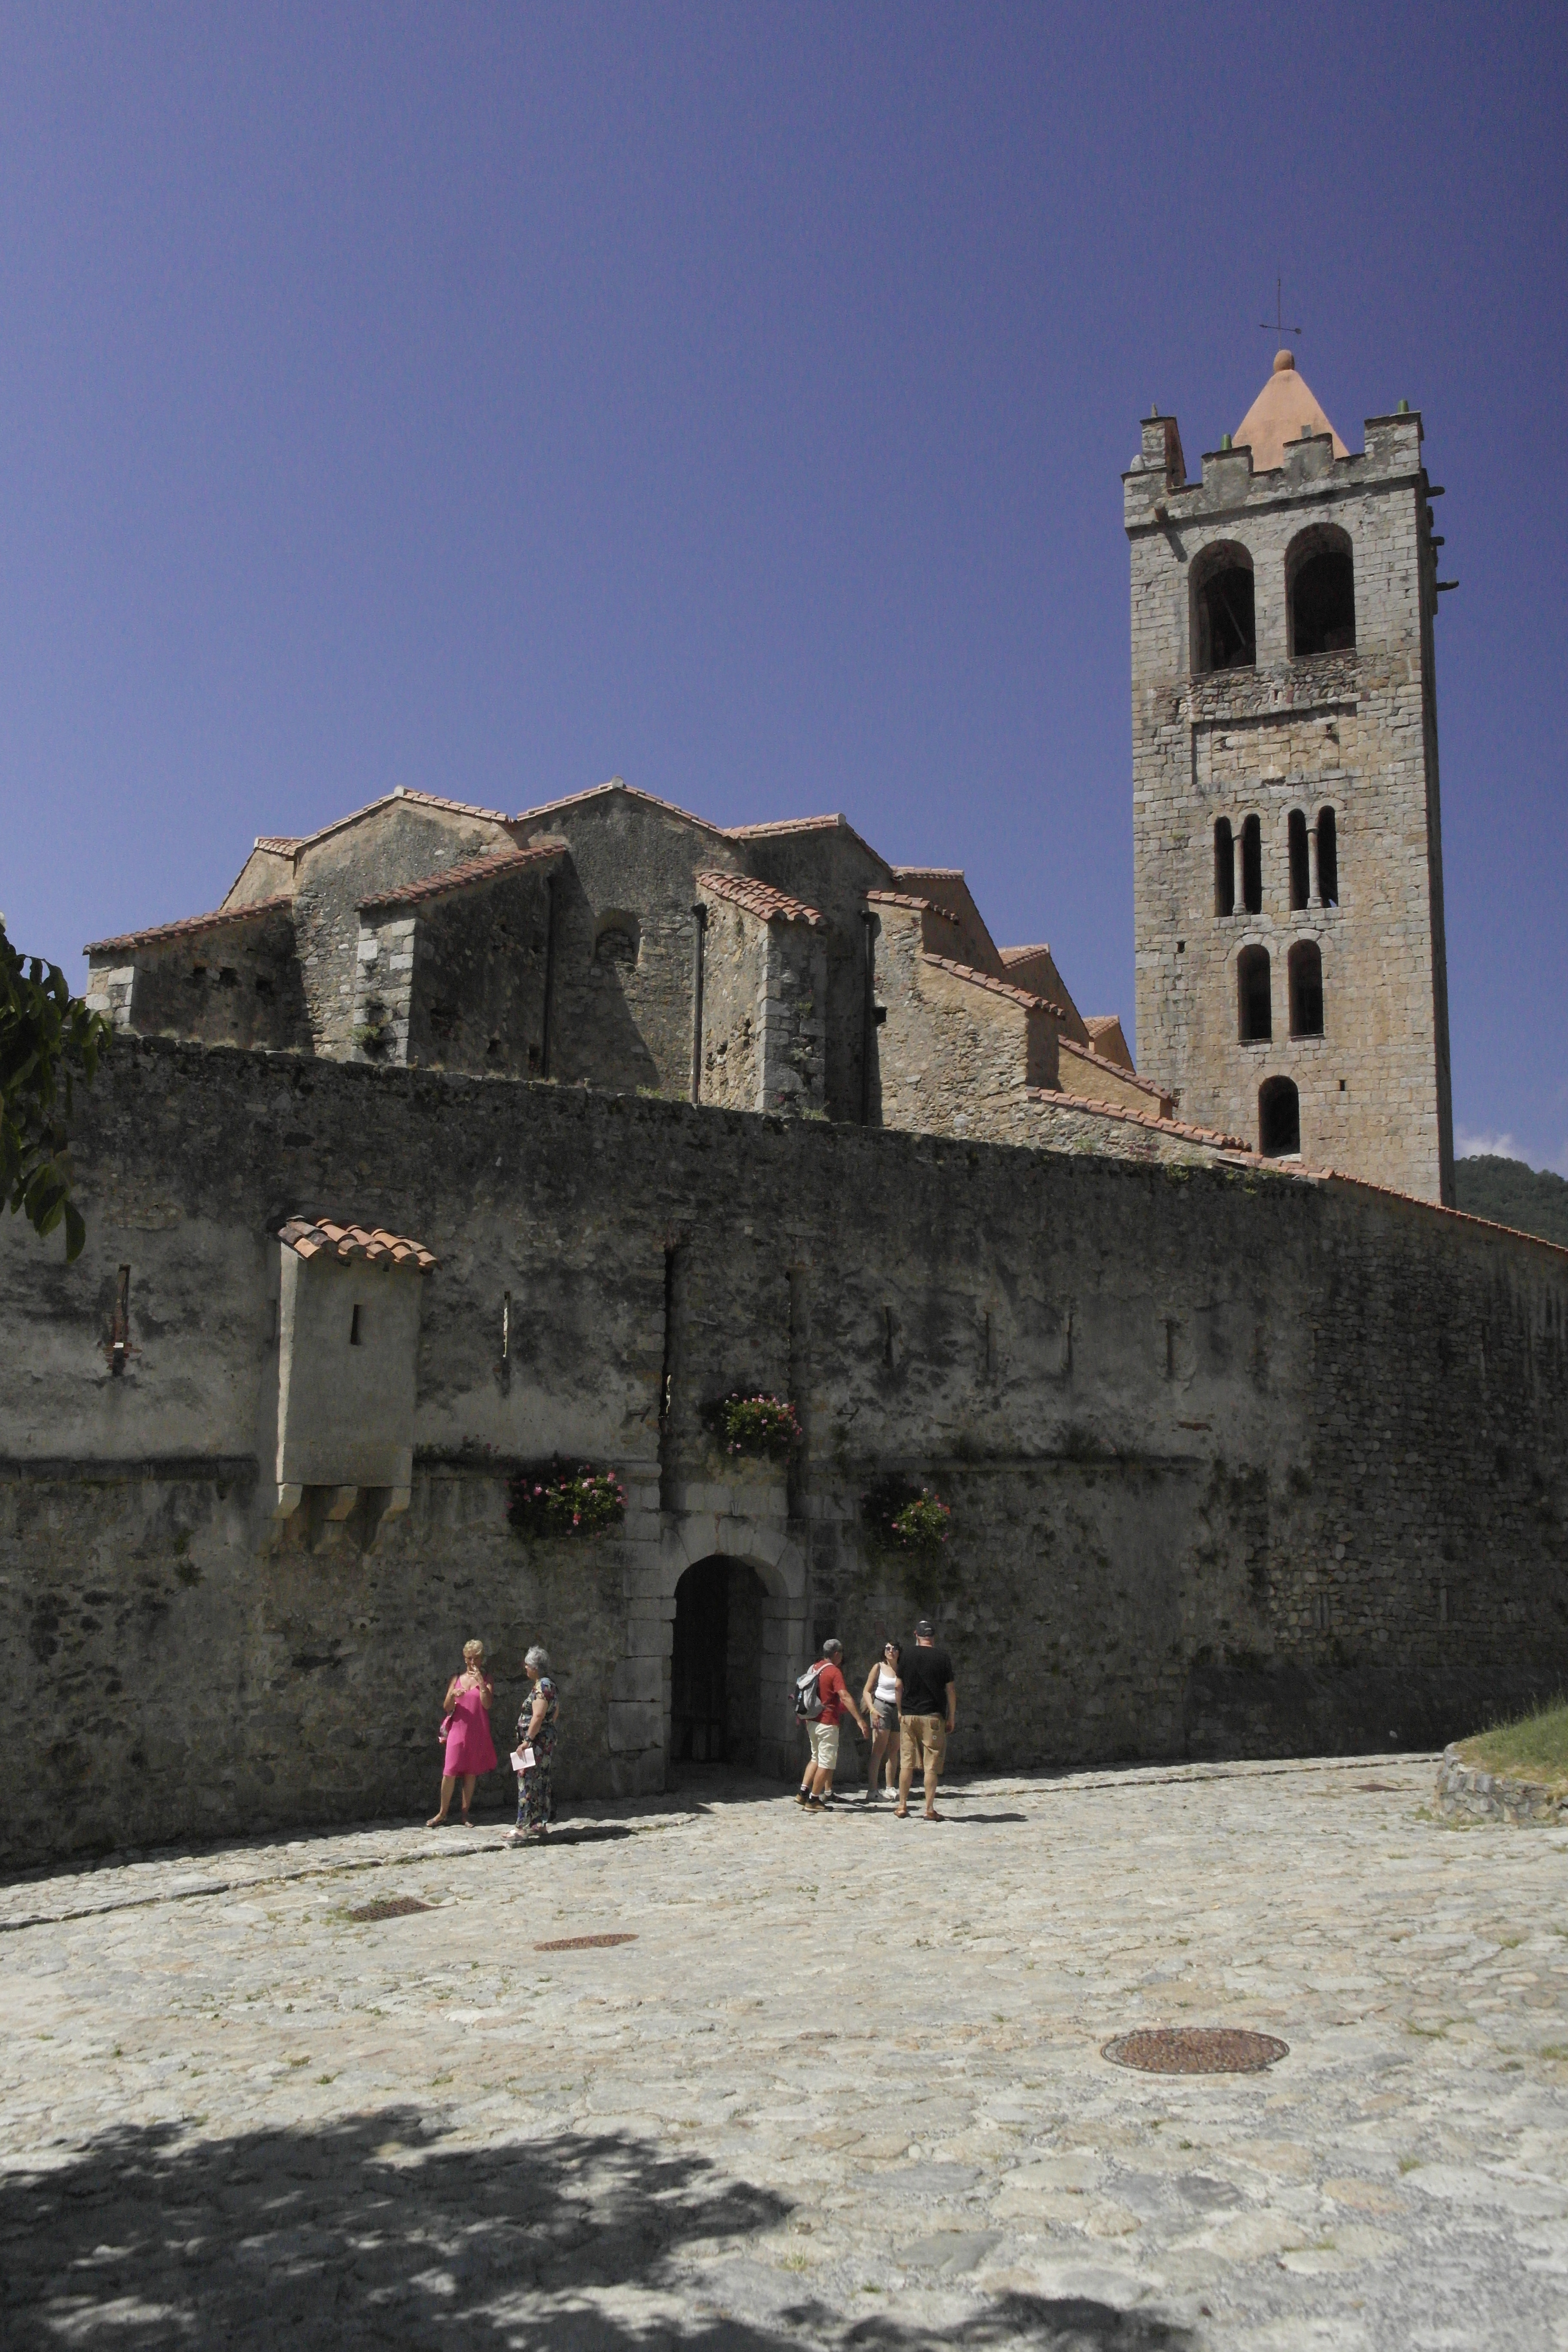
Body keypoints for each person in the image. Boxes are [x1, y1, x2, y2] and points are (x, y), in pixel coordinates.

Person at [426, 1640, 497, 1827]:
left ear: (482, 1659)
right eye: (468, 1659)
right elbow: (446, 1707)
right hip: (458, 1729)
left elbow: (487, 1704)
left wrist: (482, 1683)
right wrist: (452, 1695)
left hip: (476, 1730)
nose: (472, 1663)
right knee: (449, 1771)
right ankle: (442, 1813)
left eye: (476, 1659)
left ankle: (465, 1815)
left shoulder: (487, 1679)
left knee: (470, 1773)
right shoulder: (457, 1678)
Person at [795, 1637, 867, 1810]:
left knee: (815, 1757)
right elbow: (844, 1696)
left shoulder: (814, 1667)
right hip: (828, 1722)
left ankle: (802, 1793)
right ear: (836, 1654)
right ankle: (814, 1800)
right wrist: (860, 1720)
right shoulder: (834, 1672)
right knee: (827, 1762)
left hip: (811, 1720)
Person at [895, 1617, 956, 1821]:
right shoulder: (943, 1657)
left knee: (906, 1762)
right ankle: (929, 1809)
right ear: (933, 1637)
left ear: (916, 1635)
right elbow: (950, 1690)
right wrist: (951, 1717)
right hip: (932, 1716)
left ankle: (902, 1806)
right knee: (931, 1765)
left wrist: (900, 1711)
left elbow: (898, 1686)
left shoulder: (906, 1656)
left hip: (909, 1714)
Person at [505, 1645, 559, 1844]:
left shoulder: (542, 1687)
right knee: (541, 1781)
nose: (525, 1668)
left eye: (528, 1665)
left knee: (526, 1780)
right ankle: (538, 1823)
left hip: (535, 1743)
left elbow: (538, 1714)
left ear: (536, 1667)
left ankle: (522, 1827)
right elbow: (555, 1713)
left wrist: (528, 1740)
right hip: (543, 1741)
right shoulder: (550, 1685)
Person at [861, 1639, 903, 1801]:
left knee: (894, 1750)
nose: (891, 1651)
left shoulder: (902, 1669)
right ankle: (873, 1790)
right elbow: (867, 1691)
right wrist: (872, 1710)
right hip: (881, 1707)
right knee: (878, 1750)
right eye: (888, 1648)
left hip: (897, 1709)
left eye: (894, 1648)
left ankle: (890, 1787)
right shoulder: (878, 1667)